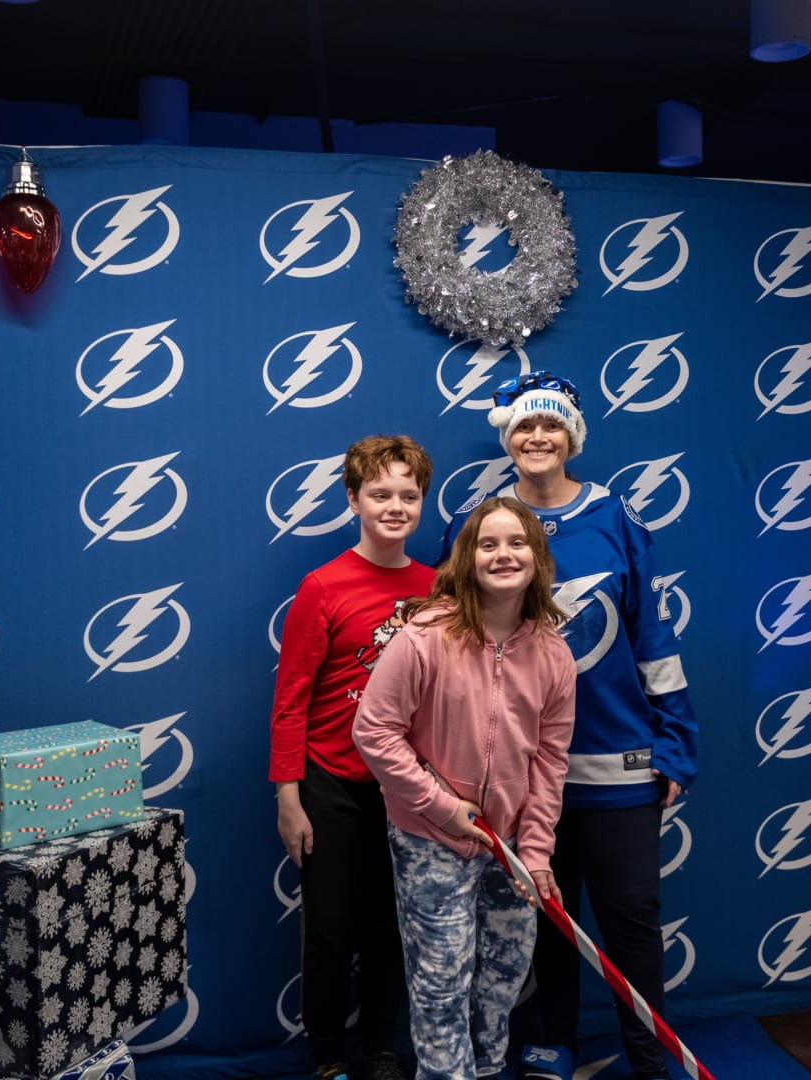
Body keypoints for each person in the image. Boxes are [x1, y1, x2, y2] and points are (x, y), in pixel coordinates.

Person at [438, 372, 699, 1080]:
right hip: (518, 774)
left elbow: (653, 636)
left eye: (551, 424)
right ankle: (552, 1042)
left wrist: (676, 741)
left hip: (618, 765)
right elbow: (450, 641)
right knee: (545, 919)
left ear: (573, 436)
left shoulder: (618, 518)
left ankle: (648, 1057)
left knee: (632, 920)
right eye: (524, 425)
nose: (537, 437)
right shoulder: (479, 525)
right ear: (507, 437)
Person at [352, 497, 576, 1080]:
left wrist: (536, 852)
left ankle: (487, 1069)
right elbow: (374, 730)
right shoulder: (425, 636)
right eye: (488, 544)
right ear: (466, 558)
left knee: (502, 979)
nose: (504, 555)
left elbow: (550, 761)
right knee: (441, 981)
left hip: (510, 844)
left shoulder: (554, 653)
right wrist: (440, 807)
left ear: (538, 557)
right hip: (432, 839)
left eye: (517, 543)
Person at [271, 434, 437, 1080]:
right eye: (379, 494)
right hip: (332, 784)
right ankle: (328, 1058)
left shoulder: (435, 588)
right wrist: (289, 798)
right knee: (331, 929)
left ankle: (383, 1048)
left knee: (391, 927)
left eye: (408, 495)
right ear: (352, 499)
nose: (395, 507)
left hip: (404, 787)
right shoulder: (323, 586)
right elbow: (291, 700)